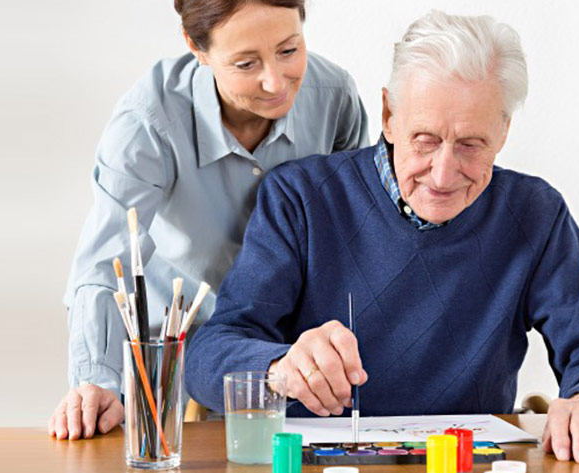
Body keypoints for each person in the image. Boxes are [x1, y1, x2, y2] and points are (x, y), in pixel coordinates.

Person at [185, 10, 579, 465]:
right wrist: (280, 368)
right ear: (389, 114)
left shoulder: (535, 213)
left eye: (471, 144)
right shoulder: (300, 197)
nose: (444, 173)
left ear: (504, 131)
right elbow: (209, 353)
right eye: (425, 139)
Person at [49, 0, 368, 440]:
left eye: (289, 50)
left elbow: (352, 229)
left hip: (289, 360)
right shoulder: (149, 123)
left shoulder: (335, 98)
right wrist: (95, 381)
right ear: (197, 48)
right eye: (245, 63)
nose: (275, 81)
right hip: (175, 361)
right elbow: (106, 265)